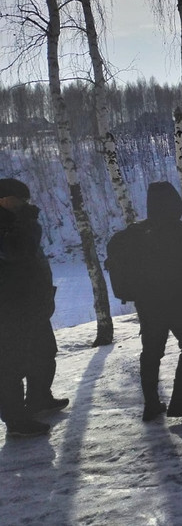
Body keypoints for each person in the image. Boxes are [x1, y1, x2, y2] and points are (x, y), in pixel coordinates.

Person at [135, 181, 182, 422]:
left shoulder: (139, 232)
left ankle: (151, 405)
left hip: (147, 304)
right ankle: (178, 402)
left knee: (151, 353)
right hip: (176, 302)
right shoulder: (179, 231)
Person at [0, 178, 67, 437]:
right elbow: (18, 252)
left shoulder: (14, 222)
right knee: (10, 367)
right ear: (4, 199)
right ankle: (16, 422)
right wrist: (28, 222)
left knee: (44, 353)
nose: (24, 204)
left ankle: (39, 399)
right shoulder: (10, 225)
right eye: (20, 200)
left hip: (30, 305)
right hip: (8, 310)